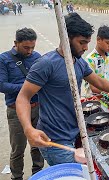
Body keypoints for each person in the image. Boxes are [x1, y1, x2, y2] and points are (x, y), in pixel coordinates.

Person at [15, 13, 109, 166]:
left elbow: (101, 83)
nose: (86, 47)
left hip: (75, 131)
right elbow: (23, 97)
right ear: (66, 37)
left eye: (87, 42)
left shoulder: (78, 62)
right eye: (82, 42)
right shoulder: (46, 64)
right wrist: (28, 129)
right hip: (56, 140)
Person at [0, 28, 44, 180]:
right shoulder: (3, 59)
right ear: (15, 43)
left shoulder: (37, 57)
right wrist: (27, 88)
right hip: (16, 111)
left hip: (37, 108)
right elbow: (2, 85)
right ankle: (16, 177)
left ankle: (38, 174)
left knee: (38, 144)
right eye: (26, 47)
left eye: (32, 47)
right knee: (18, 149)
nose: (30, 51)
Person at [84, 25, 109, 97]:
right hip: (94, 98)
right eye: (108, 43)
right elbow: (93, 88)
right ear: (98, 40)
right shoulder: (90, 59)